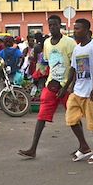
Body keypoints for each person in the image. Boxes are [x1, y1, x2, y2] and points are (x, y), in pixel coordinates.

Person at [18, 15, 76, 159]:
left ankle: (83, 145)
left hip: (66, 87)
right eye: (50, 25)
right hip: (51, 85)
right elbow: (49, 64)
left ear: (60, 25)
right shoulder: (47, 44)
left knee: (73, 118)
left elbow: (74, 66)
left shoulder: (69, 43)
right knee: (41, 116)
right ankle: (33, 148)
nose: (52, 27)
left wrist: (68, 86)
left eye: (55, 25)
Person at [65, 17, 93, 165]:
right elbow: (74, 69)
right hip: (78, 91)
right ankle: (84, 146)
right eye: (74, 28)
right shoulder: (77, 48)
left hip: (92, 92)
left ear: (87, 31)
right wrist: (66, 88)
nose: (75, 31)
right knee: (71, 119)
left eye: (78, 28)